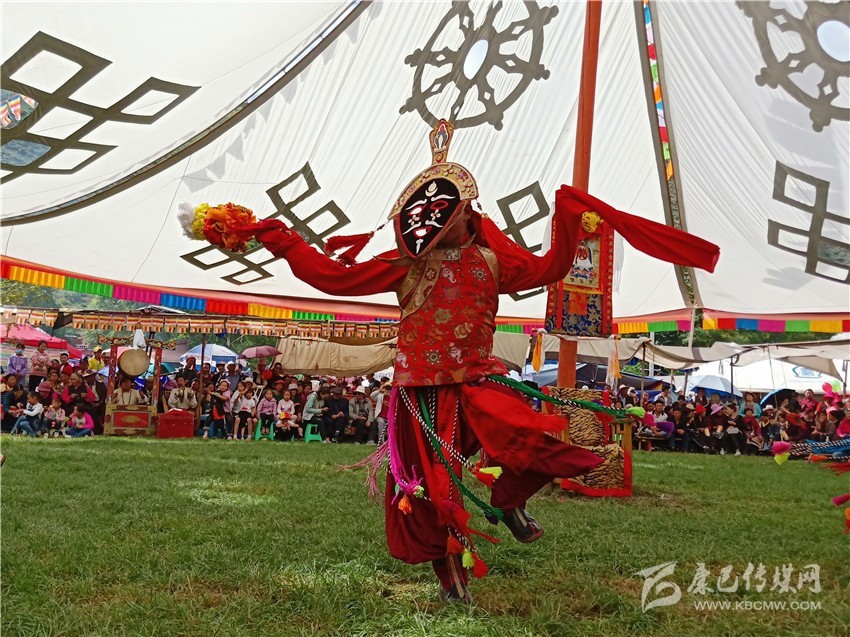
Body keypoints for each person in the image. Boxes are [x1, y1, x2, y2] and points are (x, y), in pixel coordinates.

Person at [191, 119, 718, 601]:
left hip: (476, 383)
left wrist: (569, 215)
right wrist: (276, 237)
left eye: (450, 215)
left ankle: (508, 500)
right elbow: (333, 278)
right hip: (419, 392)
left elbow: (549, 270)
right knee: (428, 490)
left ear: (467, 212)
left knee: (533, 439)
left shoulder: (492, 259)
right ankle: (450, 577)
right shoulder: (405, 263)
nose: (441, 226)